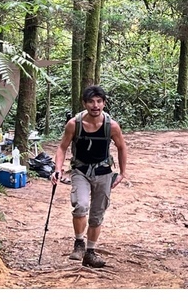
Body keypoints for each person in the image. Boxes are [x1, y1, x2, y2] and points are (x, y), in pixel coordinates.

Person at [52, 85, 127, 269]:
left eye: (99, 101)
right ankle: (79, 243)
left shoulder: (112, 126)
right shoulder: (74, 124)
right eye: (91, 101)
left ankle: (90, 252)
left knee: (97, 214)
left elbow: (121, 147)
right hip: (81, 171)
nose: (95, 105)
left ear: (104, 103)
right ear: (84, 103)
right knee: (81, 205)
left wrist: (123, 173)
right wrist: (58, 169)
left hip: (104, 172)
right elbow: (62, 147)